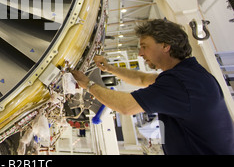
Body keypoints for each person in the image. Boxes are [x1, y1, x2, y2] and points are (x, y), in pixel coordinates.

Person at [71, 19, 234, 155]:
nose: (140, 53)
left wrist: (88, 84)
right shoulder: (190, 75)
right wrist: (110, 69)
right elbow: (142, 79)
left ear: (165, 46)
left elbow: (126, 107)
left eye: (144, 46)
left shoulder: (181, 83)